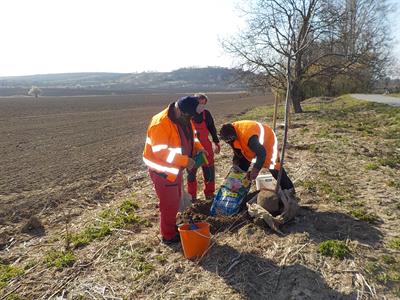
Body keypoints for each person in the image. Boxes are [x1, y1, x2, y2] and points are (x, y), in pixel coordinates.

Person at [143, 96, 206, 244]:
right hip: (163, 171)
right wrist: (185, 161)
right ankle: (168, 236)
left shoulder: (184, 118)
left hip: (175, 169)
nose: (190, 119)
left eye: (191, 116)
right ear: (179, 110)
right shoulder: (160, 123)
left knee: (175, 200)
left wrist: (200, 149)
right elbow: (161, 153)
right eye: (188, 116)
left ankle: (171, 225)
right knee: (169, 204)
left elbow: (193, 138)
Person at [218, 121, 295, 193]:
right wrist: (236, 166)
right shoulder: (229, 131)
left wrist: (255, 171)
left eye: (229, 140)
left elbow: (261, 153)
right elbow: (237, 151)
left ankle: (288, 189)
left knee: (273, 166)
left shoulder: (247, 135)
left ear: (233, 136)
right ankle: (236, 189)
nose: (228, 142)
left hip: (267, 141)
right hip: (249, 142)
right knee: (241, 165)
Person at [187, 93, 220, 201]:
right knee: (191, 173)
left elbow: (212, 129)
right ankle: (192, 196)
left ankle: (209, 194)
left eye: (203, 104)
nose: (201, 106)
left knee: (209, 171)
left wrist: (216, 142)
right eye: (199, 103)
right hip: (192, 149)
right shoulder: (188, 116)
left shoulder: (206, 114)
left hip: (206, 148)